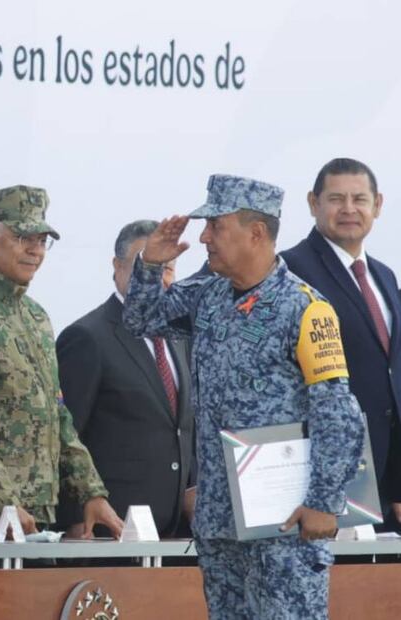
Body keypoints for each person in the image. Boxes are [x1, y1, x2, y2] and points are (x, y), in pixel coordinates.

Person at [123, 174, 365, 618]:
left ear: (256, 233)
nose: (204, 238)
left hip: (284, 523)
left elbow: (338, 413)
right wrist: (151, 267)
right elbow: (142, 321)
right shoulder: (209, 294)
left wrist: (324, 502)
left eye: (216, 226)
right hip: (220, 519)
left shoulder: (306, 308)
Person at [0, 185, 122, 539]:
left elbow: (57, 413)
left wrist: (91, 491)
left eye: (43, 240)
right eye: (23, 237)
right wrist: (6, 501)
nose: (35, 250)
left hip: (35, 516)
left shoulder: (34, 316)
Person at [281, 158, 401, 529]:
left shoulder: (384, 275)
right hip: (323, 482)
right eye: (336, 199)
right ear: (313, 203)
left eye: (359, 199)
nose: (349, 209)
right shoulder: (289, 270)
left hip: (386, 482)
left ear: (377, 205)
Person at [56, 220, 195, 538]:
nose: (156, 277)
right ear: (117, 266)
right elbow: (65, 435)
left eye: (167, 268)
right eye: (146, 264)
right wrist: (75, 517)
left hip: (175, 532)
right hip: (111, 529)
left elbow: (184, 428)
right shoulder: (87, 338)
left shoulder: (179, 337)